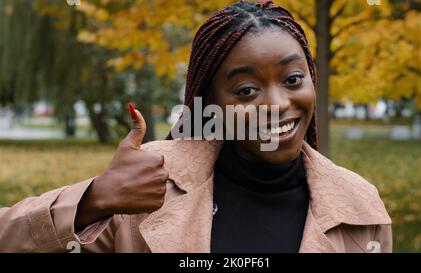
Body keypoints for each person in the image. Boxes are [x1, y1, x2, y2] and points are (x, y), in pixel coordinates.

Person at [0, 0, 392, 253]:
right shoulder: (150, 185)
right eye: (246, 89)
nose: (277, 105)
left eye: (292, 79)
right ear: (211, 102)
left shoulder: (360, 206)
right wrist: (93, 200)